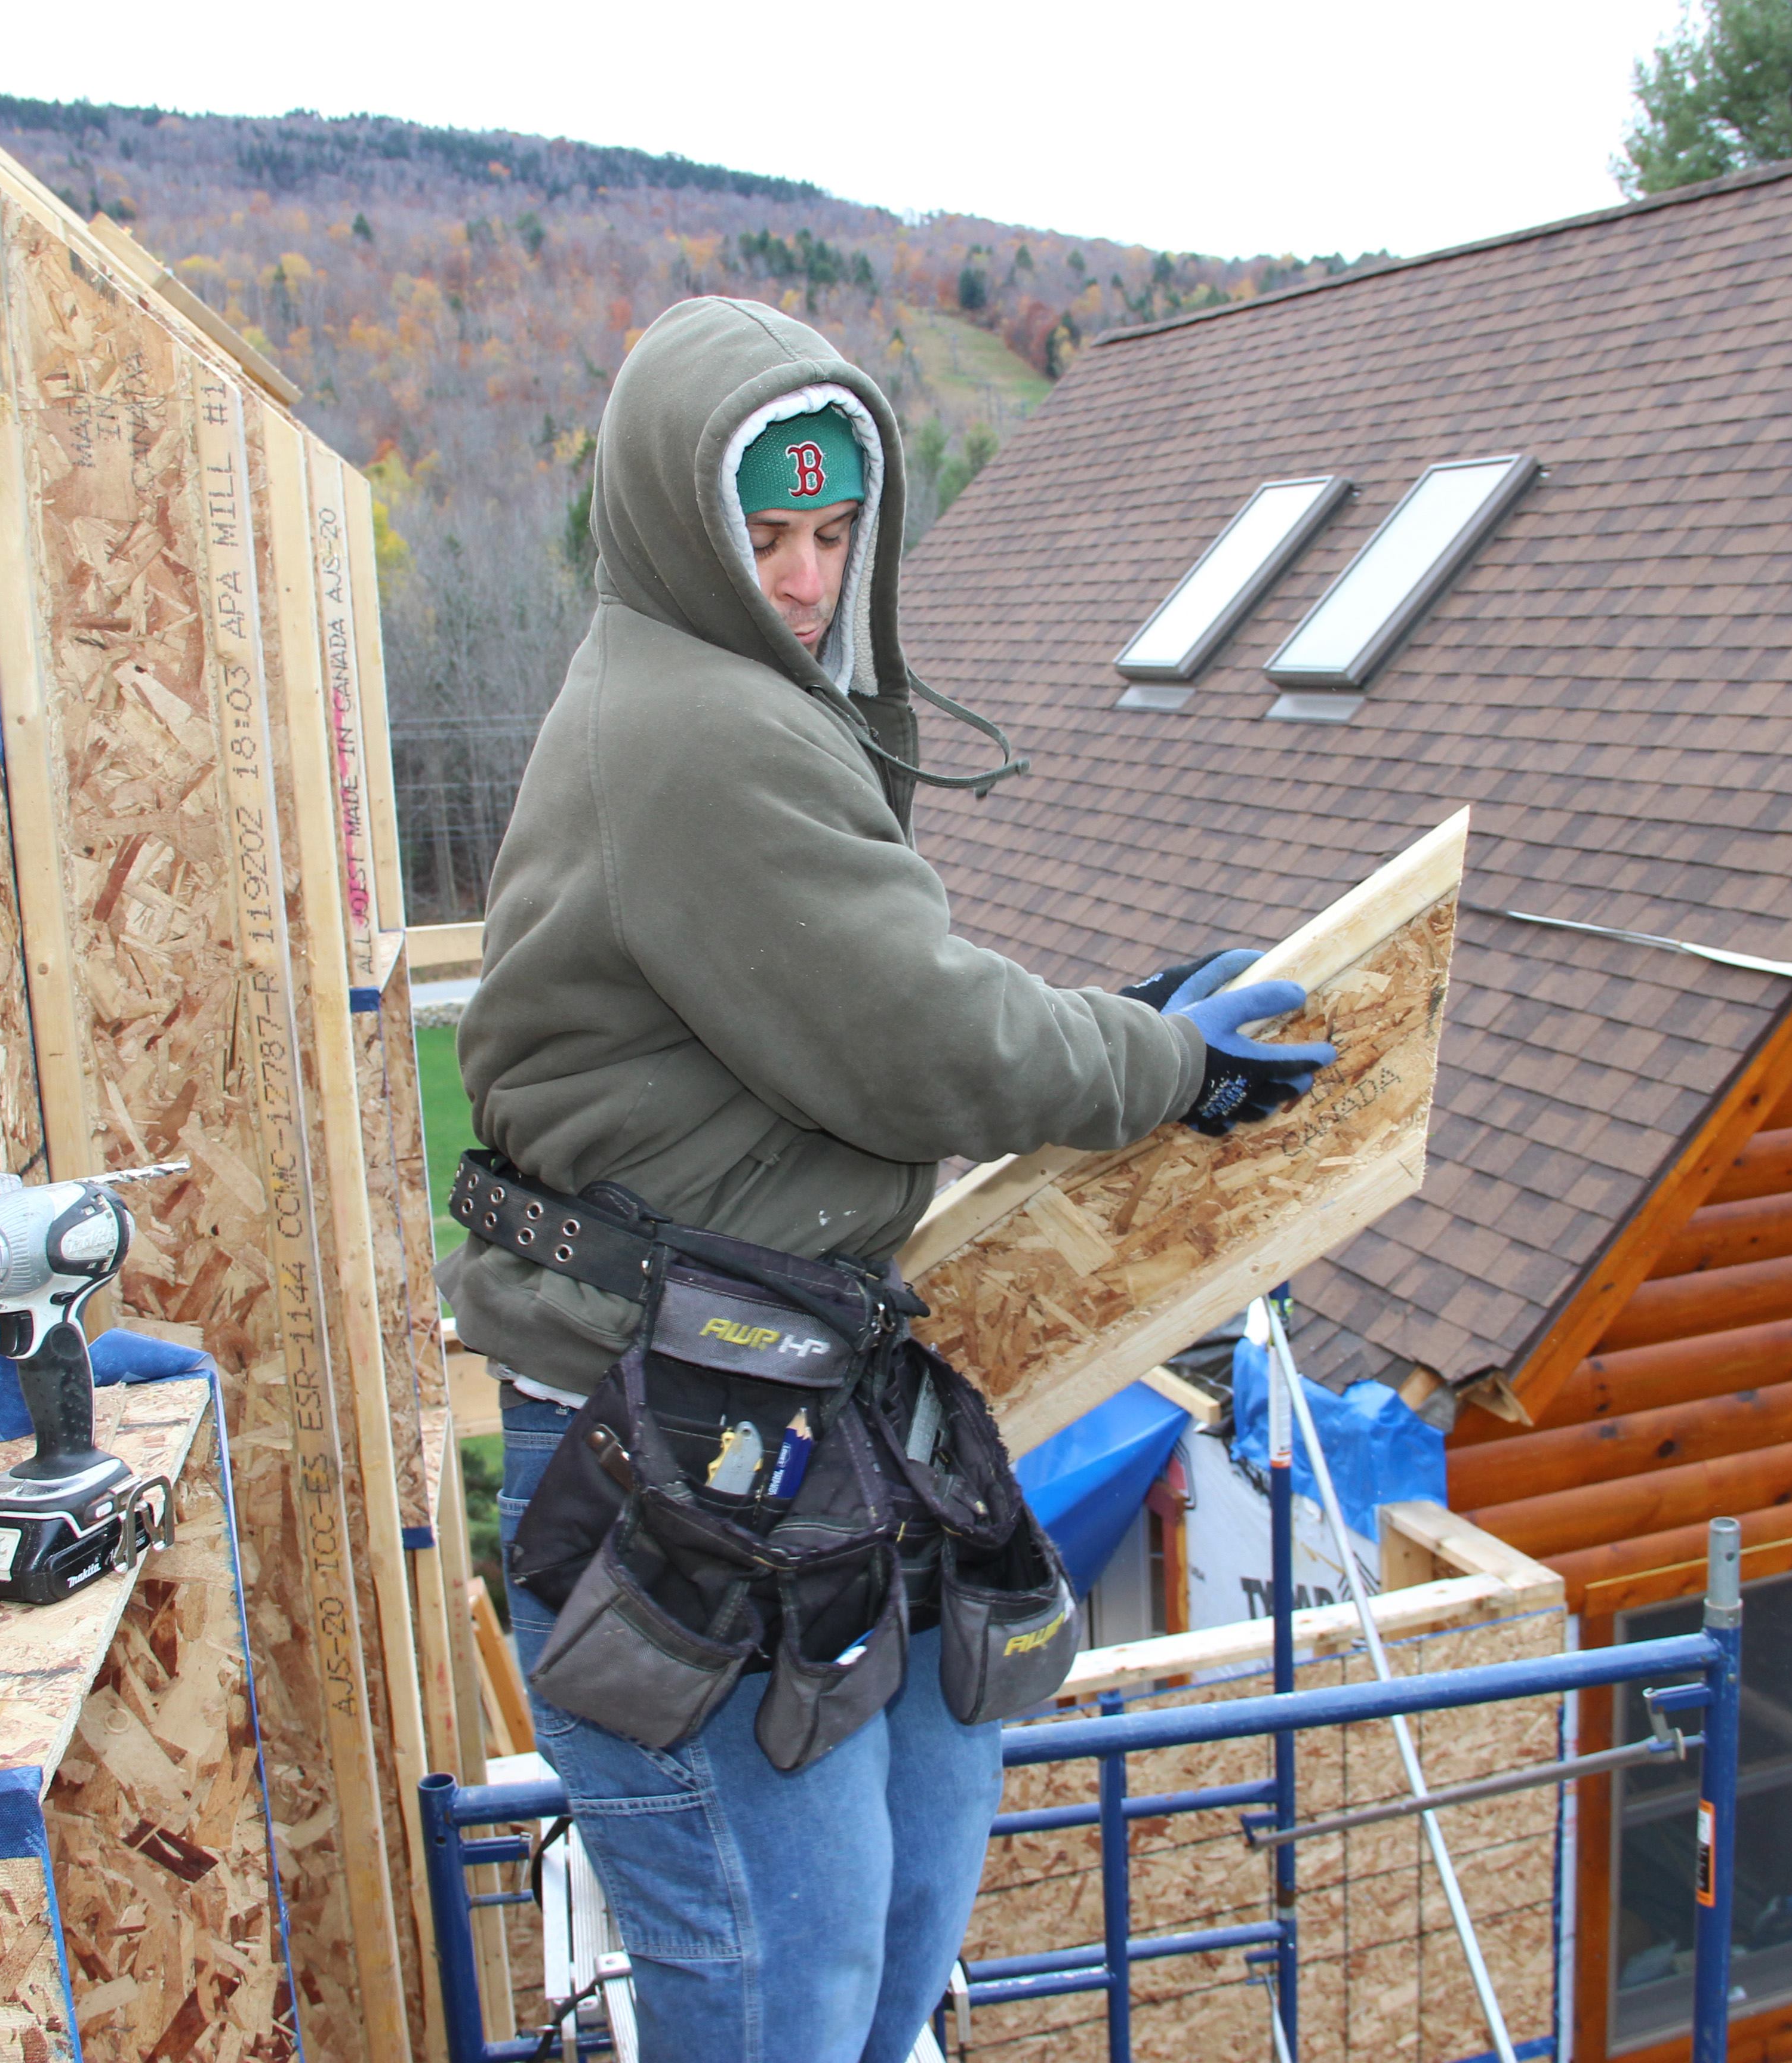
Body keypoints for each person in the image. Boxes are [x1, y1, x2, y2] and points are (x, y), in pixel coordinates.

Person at [439, 295, 1334, 2063]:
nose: (801, 578)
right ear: (677, 529)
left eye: (832, 534)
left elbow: (863, 1000)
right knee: (789, 1972)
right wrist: (1170, 1066)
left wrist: (1112, 1023)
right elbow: (919, 1034)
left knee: (918, 1871)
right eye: (762, 535)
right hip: (663, 1429)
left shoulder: (722, 705)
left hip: (797, 1396)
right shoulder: (696, 729)